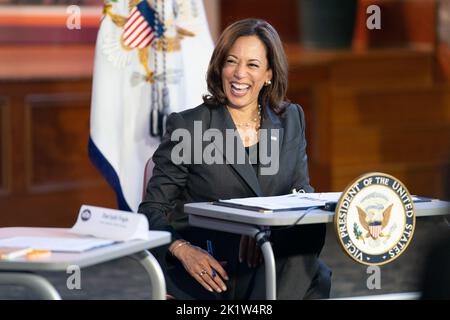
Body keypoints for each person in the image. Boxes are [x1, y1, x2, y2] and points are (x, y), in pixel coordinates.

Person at [138, 18, 331, 300]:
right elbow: (152, 210)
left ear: (269, 74)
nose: (239, 73)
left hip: (272, 252)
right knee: (313, 275)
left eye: (252, 65)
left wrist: (264, 232)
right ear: (220, 67)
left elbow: (301, 195)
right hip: (213, 262)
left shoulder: (290, 120)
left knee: (307, 239)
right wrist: (183, 250)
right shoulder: (190, 126)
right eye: (232, 61)